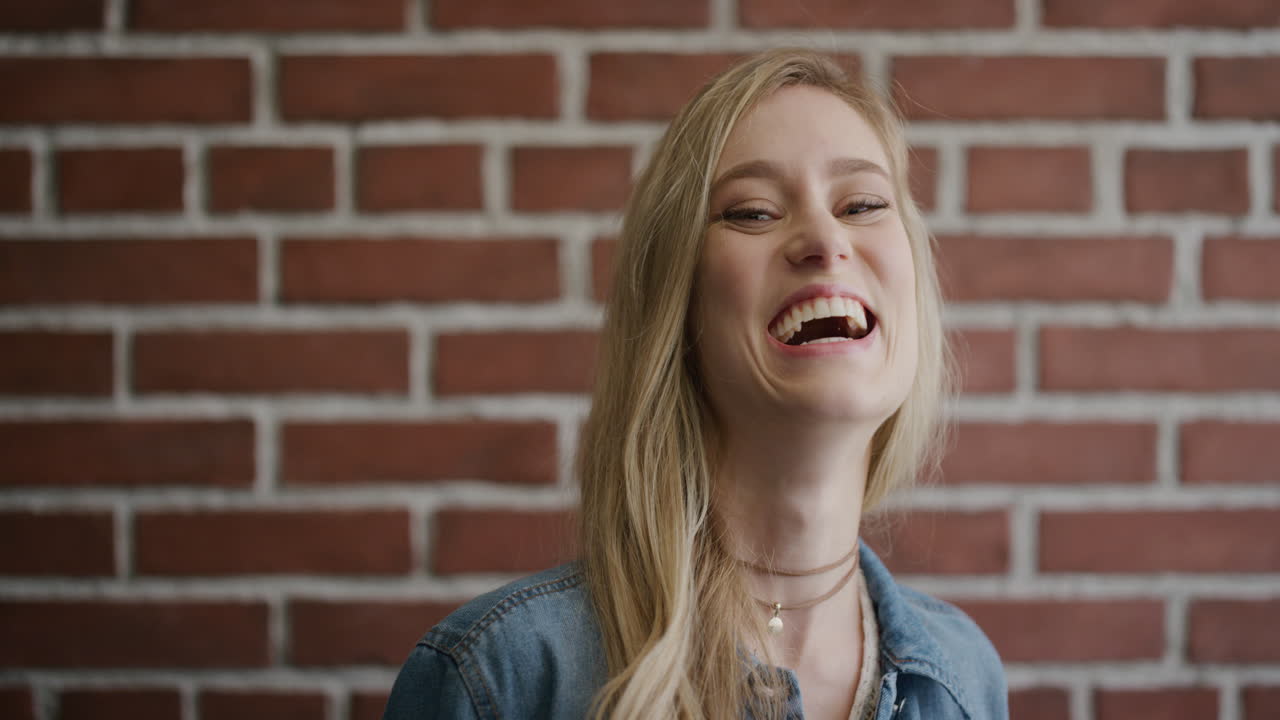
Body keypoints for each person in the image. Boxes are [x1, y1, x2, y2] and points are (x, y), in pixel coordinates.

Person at [383, 49, 1008, 720]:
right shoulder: (500, 677)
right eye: (754, 212)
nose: (826, 240)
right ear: (676, 309)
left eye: (862, 204)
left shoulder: (966, 677)